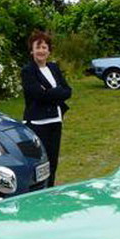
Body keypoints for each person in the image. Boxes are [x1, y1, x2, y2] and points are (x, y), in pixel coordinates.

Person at [21, 30, 71, 186]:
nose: (41, 51)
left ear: (49, 51)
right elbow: (37, 95)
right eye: (38, 47)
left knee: (53, 162)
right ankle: (38, 192)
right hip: (38, 123)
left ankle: (50, 190)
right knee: (39, 164)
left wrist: (49, 92)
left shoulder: (53, 68)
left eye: (44, 47)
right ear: (32, 51)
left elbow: (68, 91)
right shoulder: (28, 71)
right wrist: (56, 92)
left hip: (55, 121)